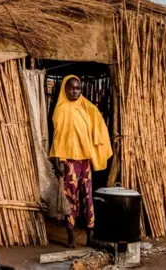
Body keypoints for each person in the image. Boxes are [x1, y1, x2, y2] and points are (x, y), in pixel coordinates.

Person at [50, 75, 113, 248]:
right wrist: (58, 162)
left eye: (78, 88)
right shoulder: (60, 110)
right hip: (68, 160)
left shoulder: (86, 107)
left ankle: (90, 235)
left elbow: (97, 126)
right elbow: (57, 138)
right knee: (70, 198)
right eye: (71, 88)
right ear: (65, 89)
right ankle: (70, 235)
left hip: (85, 160)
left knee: (88, 197)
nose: (75, 91)